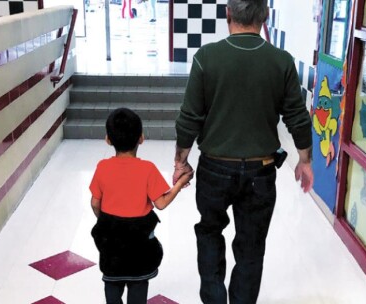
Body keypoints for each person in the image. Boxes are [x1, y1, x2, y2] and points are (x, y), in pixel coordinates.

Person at [172, 0, 314, 302]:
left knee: (210, 233)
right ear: (264, 16)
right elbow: (297, 117)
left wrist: (180, 160)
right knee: (251, 248)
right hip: (260, 173)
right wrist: (305, 160)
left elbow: (190, 118)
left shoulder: (206, 58)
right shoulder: (281, 61)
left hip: (214, 168)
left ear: (228, 14)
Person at [90, 108, 193, 304]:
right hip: (140, 247)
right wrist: (179, 184)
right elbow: (161, 203)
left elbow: (95, 203)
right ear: (141, 138)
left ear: (108, 140)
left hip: (112, 247)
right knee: (138, 286)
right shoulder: (147, 169)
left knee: (112, 285)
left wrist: (105, 219)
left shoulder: (102, 167)